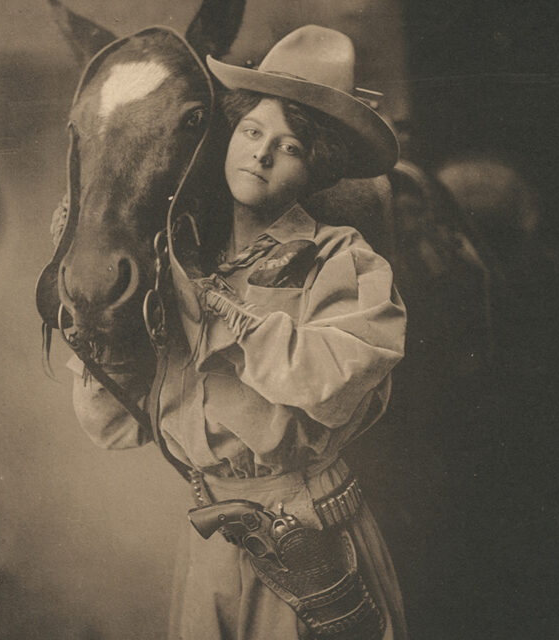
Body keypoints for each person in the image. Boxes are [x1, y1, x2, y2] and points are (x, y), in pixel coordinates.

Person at [67, 25, 407, 640]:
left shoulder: (343, 263)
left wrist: (215, 308)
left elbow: (321, 378)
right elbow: (118, 426)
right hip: (212, 547)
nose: (263, 153)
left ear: (319, 169)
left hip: (310, 545)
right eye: (251, 131)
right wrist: (103, 334)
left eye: (291, 147)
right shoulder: (186, 264)